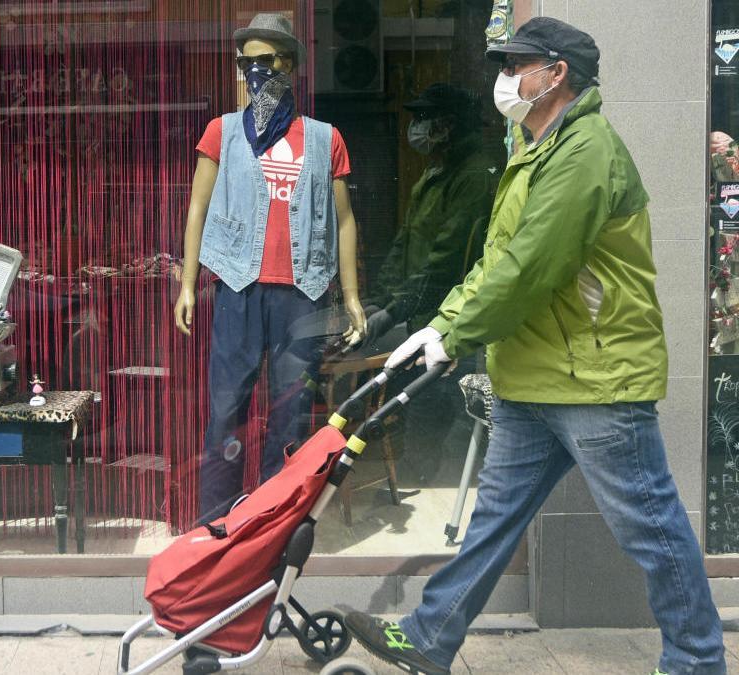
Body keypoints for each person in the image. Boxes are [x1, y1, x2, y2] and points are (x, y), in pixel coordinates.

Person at [343, 18, 725, 675]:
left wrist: (450, 330)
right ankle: (432, 636)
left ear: (558, 74)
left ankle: (696, 657)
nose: (505, 77)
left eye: (517, 63)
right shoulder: (534, 147)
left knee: (652, 527)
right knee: (492, 520)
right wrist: (443, 323)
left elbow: (527, 266)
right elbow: (495, 261)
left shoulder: (585, 152)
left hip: (595, 380)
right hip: (530, 374)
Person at [175, 13, 365, 524]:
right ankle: (216, 523)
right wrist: (188, 282)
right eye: (249, 63)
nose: (258, 71)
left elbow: (344, 221)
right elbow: (197, 207)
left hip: (302, 294)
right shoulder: (223, 132)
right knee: (226, 411)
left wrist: (350, 297)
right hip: (237, 288)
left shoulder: (325, 139)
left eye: (269, 60)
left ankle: (270, 521)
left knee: (289, 416)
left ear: (292, 65)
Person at [360, 83, 497, 482]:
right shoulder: (438, 169)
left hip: (449, 315)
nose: (415, 127)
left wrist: (394, 310)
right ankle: (416, 477)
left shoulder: (472, 175)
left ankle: (430, 486)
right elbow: (408, 240)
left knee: (432, 406)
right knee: (416, 402)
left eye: (423, 118)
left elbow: (446, 258)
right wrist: (381, 300)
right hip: (420, 309)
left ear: (448, 125)